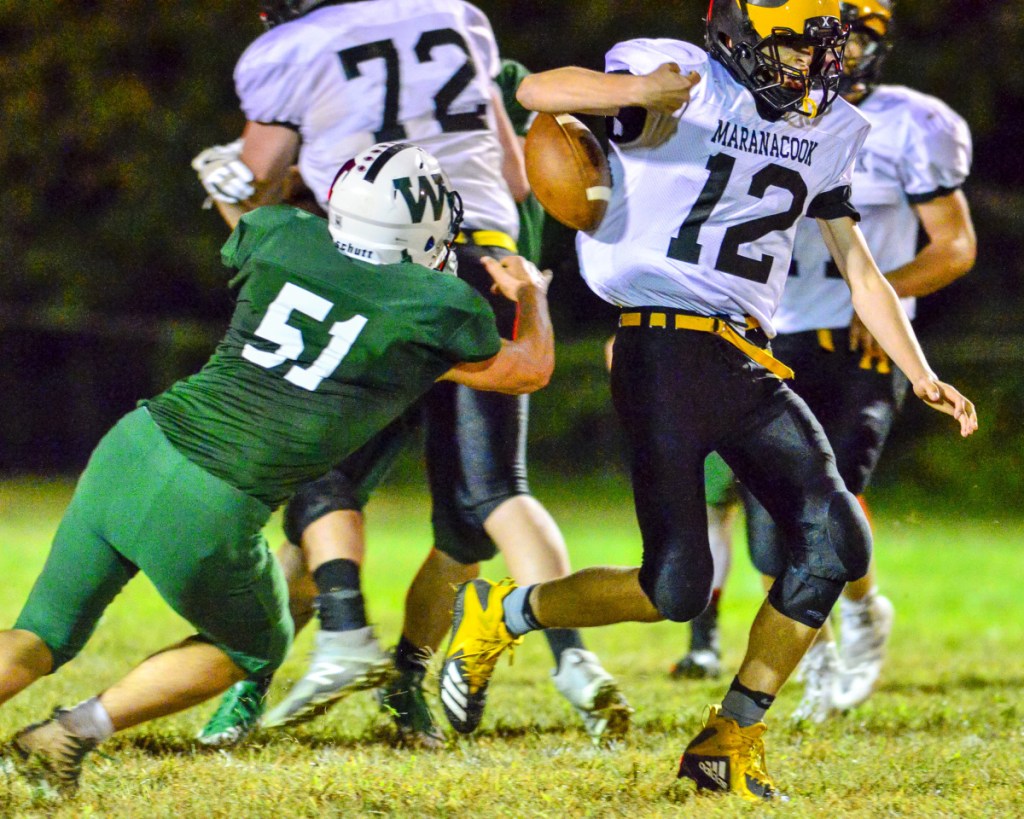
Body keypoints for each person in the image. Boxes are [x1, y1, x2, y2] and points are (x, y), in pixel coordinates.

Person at [436, 0, 977, 802]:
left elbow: (861, 269)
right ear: (742, 31)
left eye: (822, 49)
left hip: (747, 354)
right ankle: (504, 611)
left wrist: (921, 370)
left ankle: (732, 735)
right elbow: (538, 93)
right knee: (674, 588)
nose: (814, 65)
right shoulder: (681, 77)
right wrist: (641, 91)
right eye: (798, 45)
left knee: (835, 540)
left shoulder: (825, 128)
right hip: (661, 347)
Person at [0, 142, 555, 798]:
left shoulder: (282, 234)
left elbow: (259, 229)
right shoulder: (438, 303)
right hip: (211, 498)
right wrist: (531, 296)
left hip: (133, 446)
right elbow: (528, 369)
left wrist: (250, 184)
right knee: (253, 648)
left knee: (40, 635)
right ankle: (72, 731)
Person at [192, 0, 628, 748]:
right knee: (482, 506)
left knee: (320, 483)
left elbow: (255, 180)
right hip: (484, 259)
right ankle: (505, 668)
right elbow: (516, 177)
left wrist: (235, 187)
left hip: (369, 264)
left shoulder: (293, 47)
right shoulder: (454, 15)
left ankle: (315, 647)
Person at [740, 0, 976, 722]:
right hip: (769, 338)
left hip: (862, 345)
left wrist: (881, 298)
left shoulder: (913, 123)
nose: (842, 48)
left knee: (827, 492)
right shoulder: (758, 108)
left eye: (862, 33)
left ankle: (827, 648)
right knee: (767, 535)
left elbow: (955, 245)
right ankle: (865, 604)